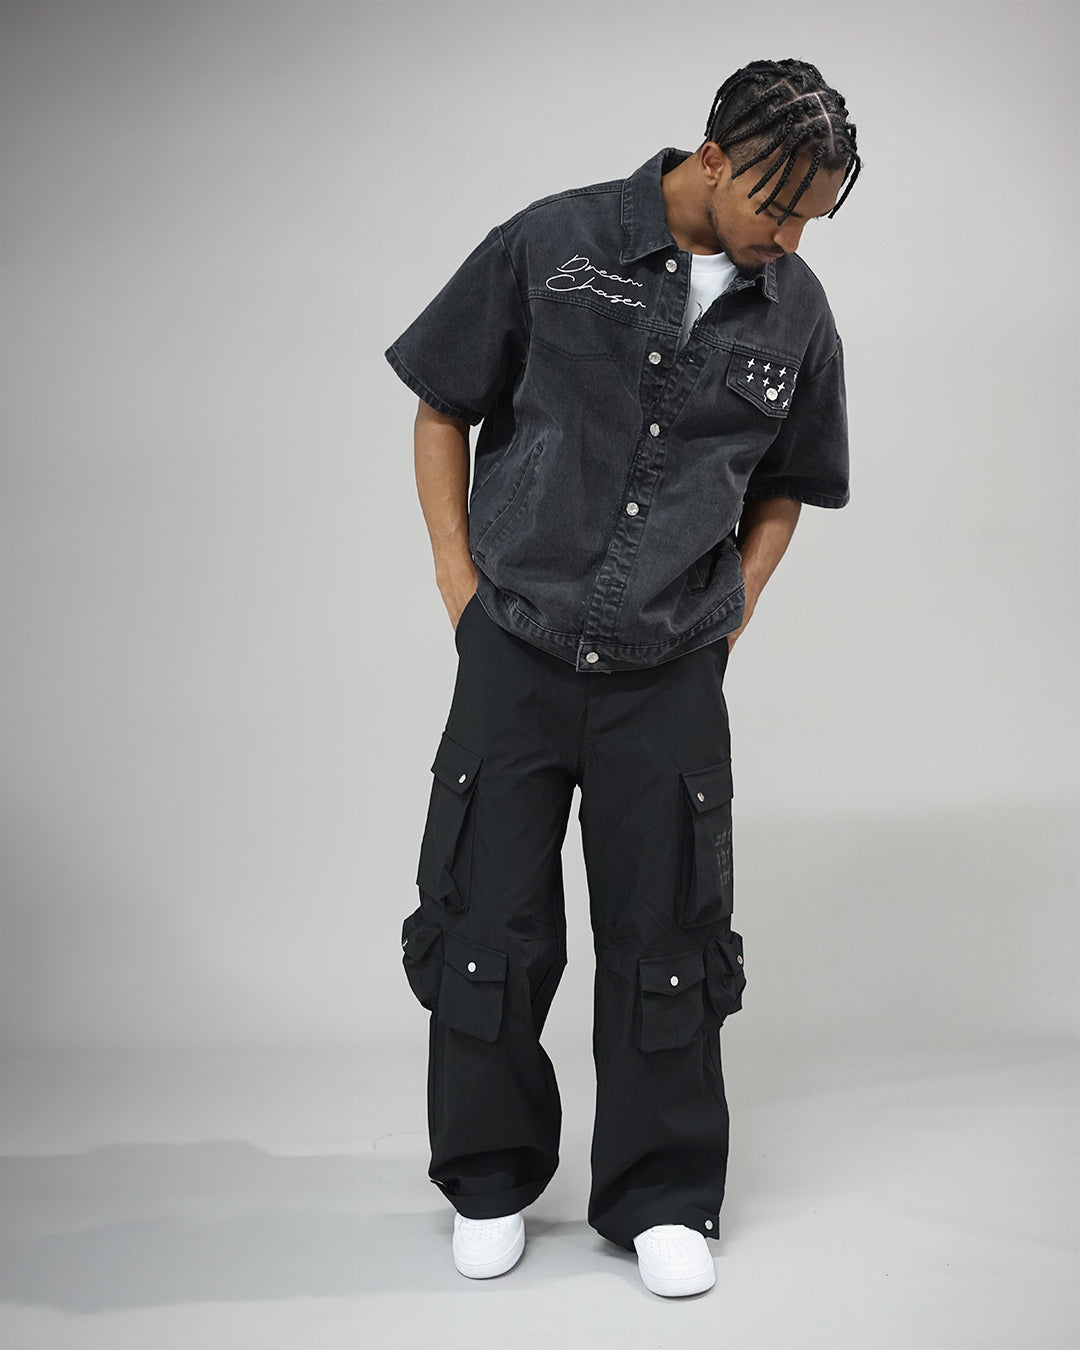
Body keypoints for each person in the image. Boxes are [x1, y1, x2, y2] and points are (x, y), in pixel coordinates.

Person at [385, 57, 861, 1298]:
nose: (792, 236)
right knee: (487, 916)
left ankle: (659, 1194)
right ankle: (489, 1176)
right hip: (517, 644)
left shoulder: (797, 312)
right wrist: (458, 582)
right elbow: (441, 400)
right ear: (713, 158)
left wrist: (731, 614)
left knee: (670, 931)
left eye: (815, 215)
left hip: (669, 669)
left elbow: (787, 488)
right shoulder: (553, 244)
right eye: (779, 205)